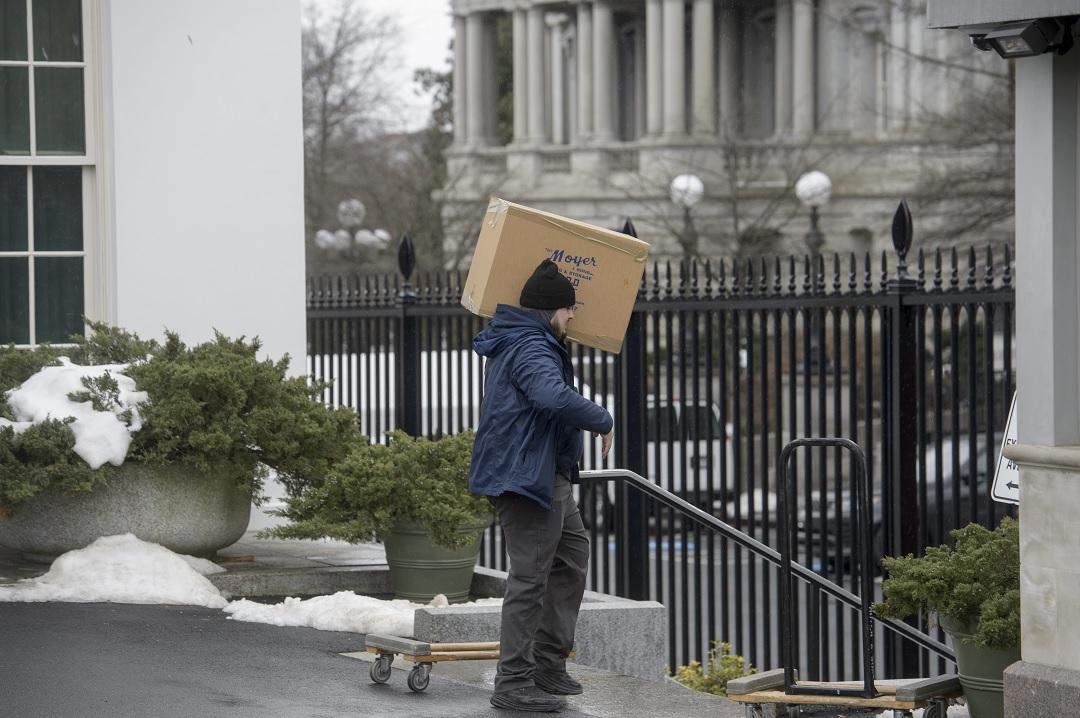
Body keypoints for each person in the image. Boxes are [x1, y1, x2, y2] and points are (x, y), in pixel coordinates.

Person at [469, 259, 614, 713]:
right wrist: (603, 419)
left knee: (572, 555)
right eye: (570, 309)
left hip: (542, 473)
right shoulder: (531, 344)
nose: (574, 316)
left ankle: (548, 662)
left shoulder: (532, 339)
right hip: (526, 477)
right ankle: (513, 681)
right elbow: (551, 396)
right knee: (529, 578)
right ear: (552, 309)